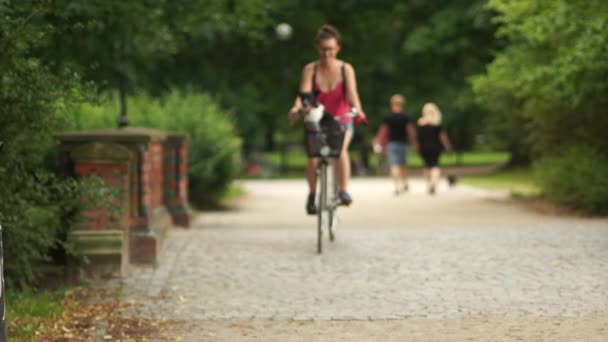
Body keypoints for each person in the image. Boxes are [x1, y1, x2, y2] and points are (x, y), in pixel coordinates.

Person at [288, 24, 366, 215]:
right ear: (317, 48)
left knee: (339, 152)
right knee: (314, 158)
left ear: (337, 48)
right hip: (318, 118)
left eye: (330, 49)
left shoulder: (346, 69)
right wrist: (297, 108)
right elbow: (304, 93)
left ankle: (343, 191)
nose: (326, 53)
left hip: (341, 118)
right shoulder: (310, 69)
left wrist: (359, 110)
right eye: (323, 49)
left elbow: (352, 94)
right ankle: (312, 194)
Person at [373, 94, 418, 195]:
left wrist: (377, 141)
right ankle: (404, 183)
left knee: (394, 165)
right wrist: (414, 142)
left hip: (392, 144)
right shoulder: (406, 116)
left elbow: (383, 131)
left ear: (392, 104)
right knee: (403, 164)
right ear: (402, 104)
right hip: (403, 143)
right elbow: (410, 131)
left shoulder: (388, 116)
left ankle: (397, 186)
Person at [417, 103, 453, 194]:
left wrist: (417, 146)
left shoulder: (421, 122)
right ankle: (434, 183)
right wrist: (447, 145)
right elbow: (442, 136)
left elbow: (418, 137)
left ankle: (429, 184)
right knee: (435, 165)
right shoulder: (437, 123)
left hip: (424, 147)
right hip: (435, 147)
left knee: (427, 165)